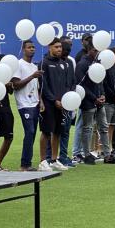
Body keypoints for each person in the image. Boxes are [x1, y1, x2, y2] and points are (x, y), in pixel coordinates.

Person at [75, 40, 115, 165]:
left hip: (99, 101)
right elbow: (80, 84)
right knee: (88, 128)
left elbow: (101, 81)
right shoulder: (83, 64)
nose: (97, 53)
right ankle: (86, 154)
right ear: (89, 50)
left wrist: (102, 95)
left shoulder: (98, 63)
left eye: (98, 51)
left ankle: (107, 155)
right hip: (88, 101)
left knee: (104, 127)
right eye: (94, 50)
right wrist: (93, 98)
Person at [38, 38, 73, 171]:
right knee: (46, 132)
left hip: (62, 104)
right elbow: (43, 85)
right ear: (49, 47)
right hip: (49, 104)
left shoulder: (63, 63)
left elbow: (66, 84)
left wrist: (65, 100)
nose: (59, 49)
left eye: (60, 47)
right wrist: (54, 100)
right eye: (56, 47)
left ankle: (53, 159)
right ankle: (42, 161)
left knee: (58, 131)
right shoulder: (44, 63)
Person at [11, 40, 42, 171]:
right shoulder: (19, 65)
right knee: (29, 132)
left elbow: (37, 88)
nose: (32, 49)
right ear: (23, 49)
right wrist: (32, 76)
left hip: (34, 104)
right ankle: (24, 164)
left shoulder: (34, 66)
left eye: (33, 47)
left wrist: (41, 101)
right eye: (29, 47)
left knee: (33, 133)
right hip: (24, 104)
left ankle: (27, 163)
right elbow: (15, 85)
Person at [0, 54, 15, 171]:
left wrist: (9, 84)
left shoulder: (8, 74)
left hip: (6, 107)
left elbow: (11, 91)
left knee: (9, 136)